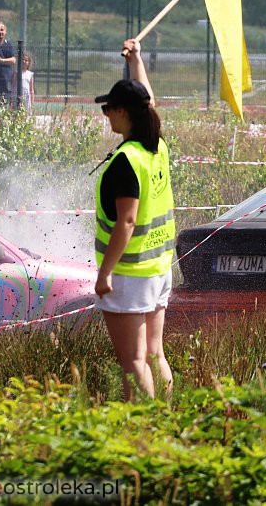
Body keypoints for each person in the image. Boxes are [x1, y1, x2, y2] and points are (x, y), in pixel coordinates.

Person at [93, 38, 176, 401]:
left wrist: (104, 273)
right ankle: (168, 418)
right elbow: (149, 102)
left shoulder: (127, 160)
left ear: (124, 112)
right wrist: (136, 61)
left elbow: (125, 223)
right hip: (158, 268)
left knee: (134, 361)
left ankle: (141, 431)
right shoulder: (154, 145)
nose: (106, 114)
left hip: (129, 275)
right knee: (155, 354)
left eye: (109, 108)